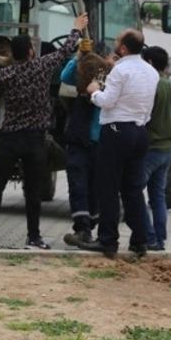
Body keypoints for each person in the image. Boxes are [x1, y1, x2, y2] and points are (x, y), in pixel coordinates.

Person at [0, 12, 88, 250]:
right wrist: (76, 28)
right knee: (32, 190)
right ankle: (33, 237)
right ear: (32, 52)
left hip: (9, 138)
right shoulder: (41, 67)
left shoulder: (5, 74)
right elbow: (64, 51)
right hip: (35, 140)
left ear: (12, 54)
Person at [76, 29, 159, 257]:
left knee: (108, 187)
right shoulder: (151, 72)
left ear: (123, 48)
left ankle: (108, 241)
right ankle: (140, 240)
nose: (115, 42)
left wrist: (93, 92)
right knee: (133, 189)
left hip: (116, 130)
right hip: (140, 131)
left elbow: (107, 101)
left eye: (117, 40)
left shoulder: (120, 70)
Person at [59, 44, 106, 247]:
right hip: (82, 143)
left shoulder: (104, 87)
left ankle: (86, 227)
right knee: (81, 185)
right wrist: (79, 56)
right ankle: (84, 227)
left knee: (87, 185)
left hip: (92, 143)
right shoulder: (84, 84)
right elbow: (65, 76)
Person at [139, 46, 171, 252]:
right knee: (158, 196)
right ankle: (160, 239)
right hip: (167, 149)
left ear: (151, 64)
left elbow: (144, 116)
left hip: (151, 148)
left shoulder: (151, 86)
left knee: (134, 192)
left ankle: (149, 237)